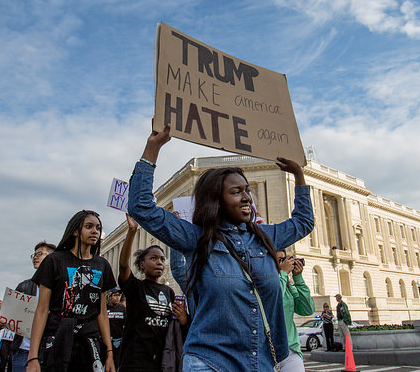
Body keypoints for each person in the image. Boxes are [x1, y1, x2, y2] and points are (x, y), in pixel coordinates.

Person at [127, 124, 314, 371]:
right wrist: (153, 148)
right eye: (236, 192)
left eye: (247, 190)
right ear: (216, 200)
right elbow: (141, 206)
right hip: (211, 362)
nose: (247, 197)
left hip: (263, 363)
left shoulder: (265, 237)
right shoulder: (195, 238)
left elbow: (304, 222)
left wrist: (299, 177)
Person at [26, 210, 116, 372]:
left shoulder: (102, 265)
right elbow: (42, 310)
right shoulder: (54, 261)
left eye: (98, 228)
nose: (95, 231)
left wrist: (109, 353)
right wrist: (32, 357)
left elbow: (102, 313)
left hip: (89, 344)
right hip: (57, 340)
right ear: (75, 231)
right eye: (89, 226)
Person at [117, 214, 177, 372]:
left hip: (161, 361)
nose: (159, 262)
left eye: (162, 259)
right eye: (154, 258)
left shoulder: (169, 292)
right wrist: (131, 231)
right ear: (142, 264)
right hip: (135, 360)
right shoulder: (135, 288)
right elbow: (123, 266)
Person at [10, 241, 56, 372]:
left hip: (46, 350)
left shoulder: (59, 289)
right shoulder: (23, 286)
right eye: (34, 255)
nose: (35, 257)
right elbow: (11, 315)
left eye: (40, 254)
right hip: (22, 349)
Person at [277, 251, 314, 370]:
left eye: (285, 259)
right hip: (268, 351)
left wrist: (298, 278)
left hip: (290, 350)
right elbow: (274, 300)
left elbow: (307, 309)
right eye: (280, 260)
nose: (285, 263)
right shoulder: (264, 283)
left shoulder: (287, 285)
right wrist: (282, 273)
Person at [106, 287, 125, 369]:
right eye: (115, 295)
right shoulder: (105, 309)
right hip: (107, 340)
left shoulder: (123, 309)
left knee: (117, 362)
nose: (117, 297)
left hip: (119, 340)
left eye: (119, 295)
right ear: (110, 297)